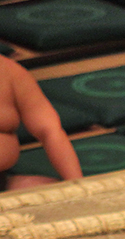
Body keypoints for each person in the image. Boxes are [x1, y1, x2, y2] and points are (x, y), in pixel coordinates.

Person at [0, 55, 83, 190]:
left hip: (2, 181)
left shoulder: (10, 72)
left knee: (56, 192)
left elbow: (50, 131)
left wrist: (77, 184)